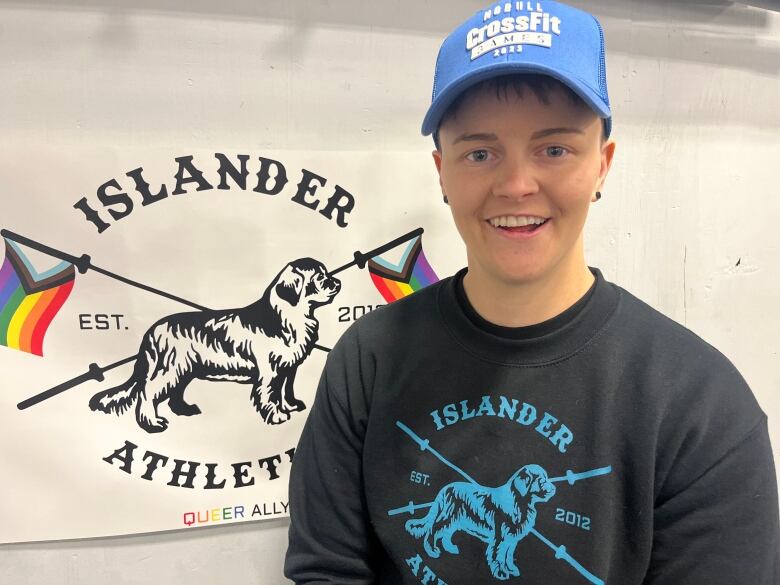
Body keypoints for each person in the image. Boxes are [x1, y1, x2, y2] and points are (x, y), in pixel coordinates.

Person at [284, 1, 780, 583]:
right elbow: (327, 570)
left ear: (602, 164)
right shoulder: (366, 360)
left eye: (554, 149)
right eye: (480, 152)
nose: (516, 186)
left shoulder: (700, 403)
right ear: (442, 171)